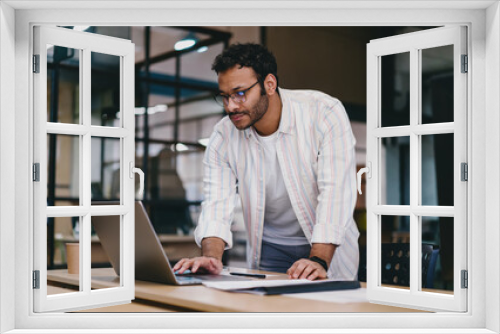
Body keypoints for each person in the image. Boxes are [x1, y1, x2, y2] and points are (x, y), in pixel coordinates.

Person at [173, 43, 359, 281]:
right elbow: (216, 203)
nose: (231, 106)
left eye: (240, 93)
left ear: (269, 84)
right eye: (225, 97)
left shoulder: (323, 113)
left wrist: (318, 259)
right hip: (270, 248)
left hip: (326, 245)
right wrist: (211, 257)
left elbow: (336, 192)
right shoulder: (223, 136)